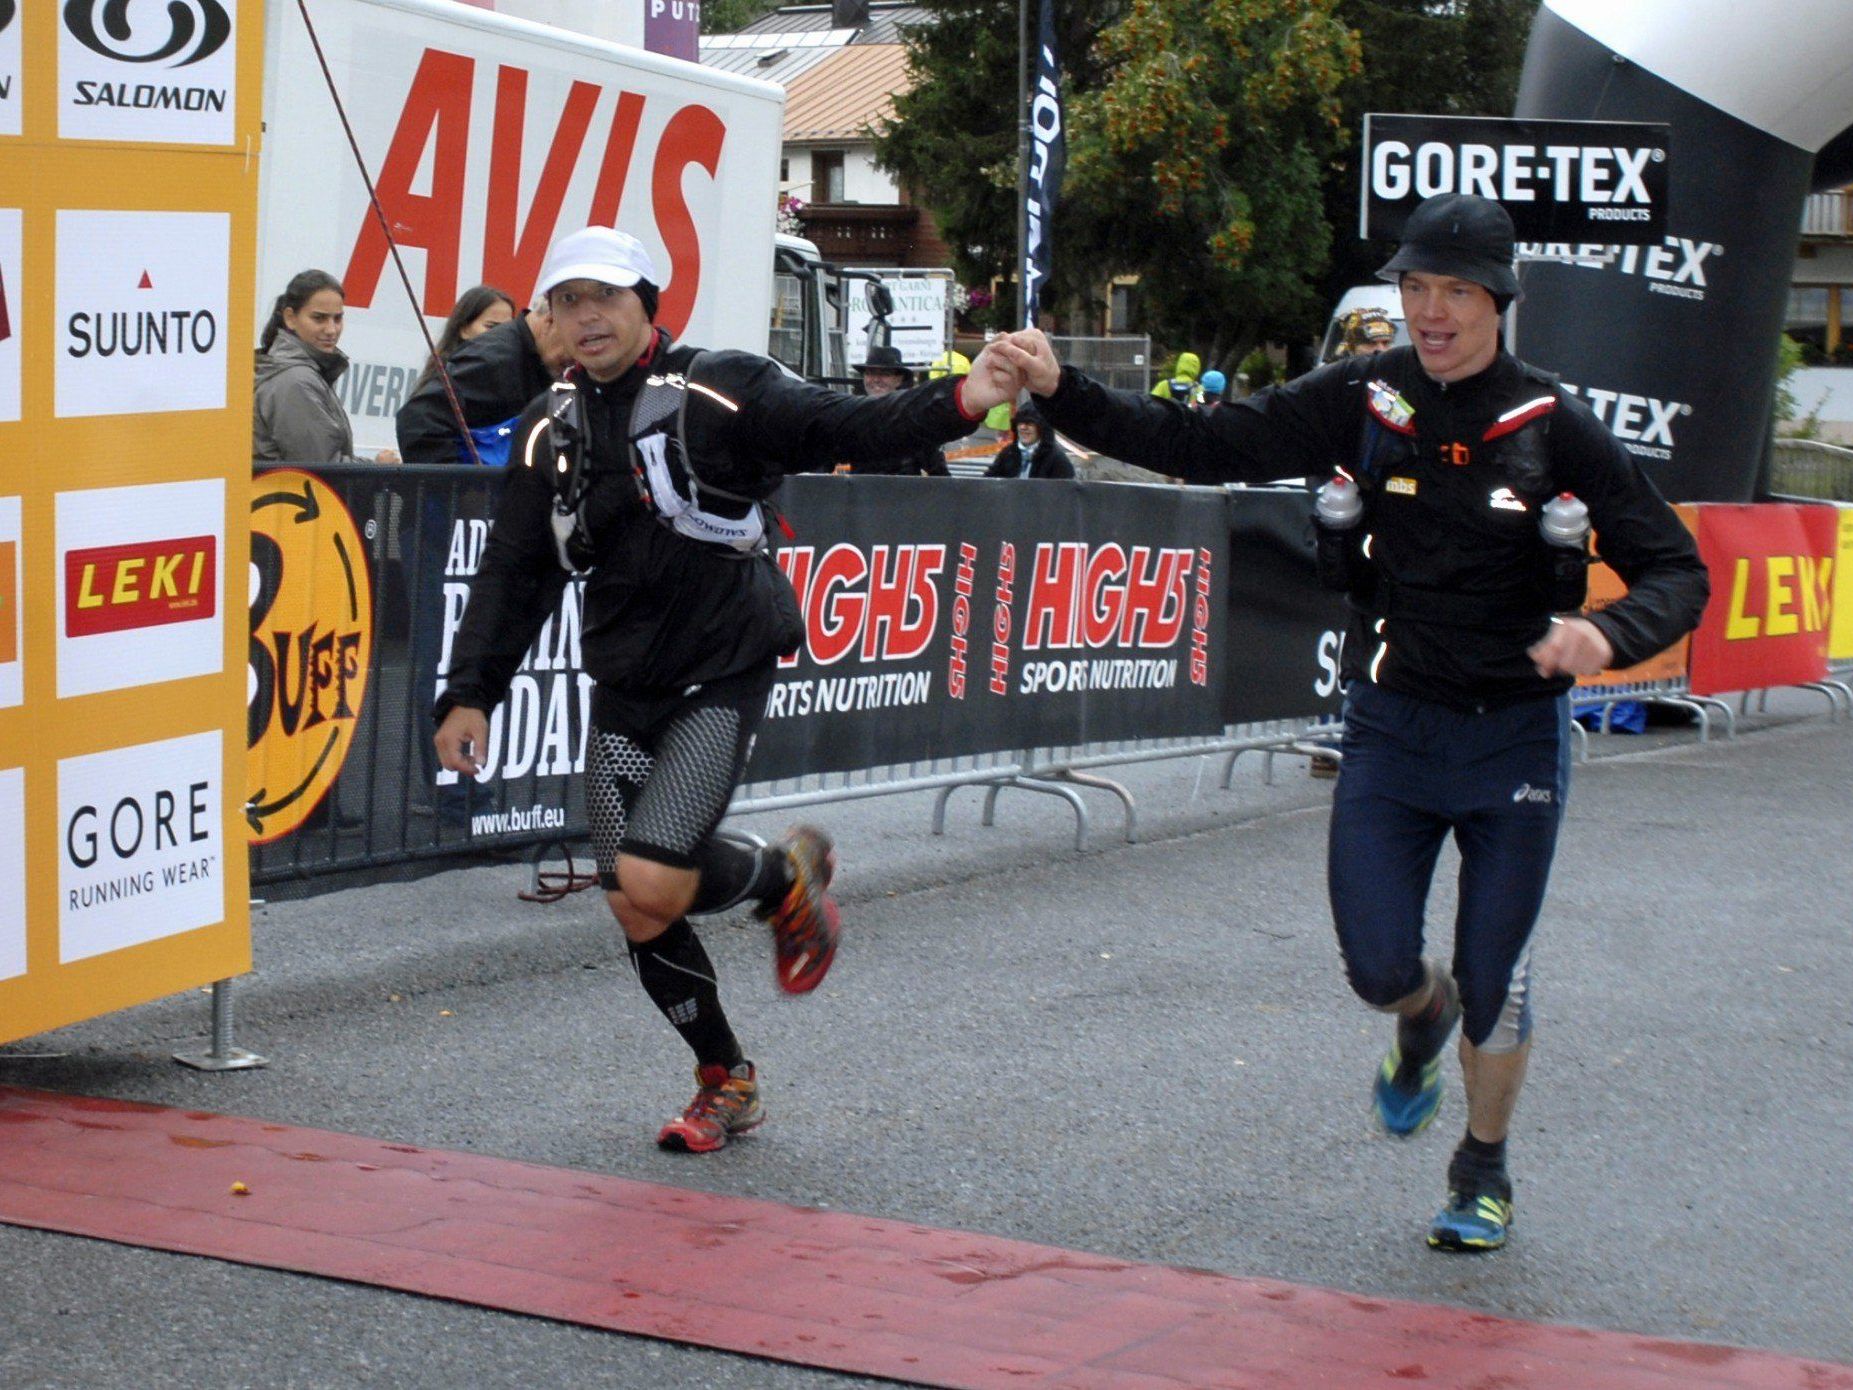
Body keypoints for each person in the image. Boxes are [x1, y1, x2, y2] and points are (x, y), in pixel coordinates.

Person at [996, 193, 1709, 1253]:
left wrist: (1606, 634)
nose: (1429, 311)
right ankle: (1412, 1020)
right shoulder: (1364, 397)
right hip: (1391, 727)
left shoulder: (1552, 426)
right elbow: (1197, 442)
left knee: (1493, 978)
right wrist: (1068, 393)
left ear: (1497, 301)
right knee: (1379, 966)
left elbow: (1675, 568)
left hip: (1513, 736)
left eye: (1452, 292)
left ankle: (1480, 1165)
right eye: (1414, 288)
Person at [434, 226, 1019, 1152]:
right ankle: (726, 1077)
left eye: (607, 298)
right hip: (626, 679)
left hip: (722, 666)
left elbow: (843, 425)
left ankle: (780, 875)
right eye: (568, 301)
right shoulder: (550, 427)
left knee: (651, 874)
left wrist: (963, 399)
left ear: (647, 305)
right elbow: (515, 566)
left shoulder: (721, 386)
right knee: (635, 901)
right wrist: (469, 692)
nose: (588, 317)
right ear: (545, 317)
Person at [396, 295, 570, 465]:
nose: (576, 359)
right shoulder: (496, 359)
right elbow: (418, 419)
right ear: (550, 320)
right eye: (572, 343)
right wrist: (462, 485)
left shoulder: (536, 359)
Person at [253, 269, 400, 463]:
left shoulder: (295, 373)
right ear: (290, 318)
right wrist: (377, 467)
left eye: (337, 318)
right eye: (319, 318)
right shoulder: (295, 381)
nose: (331, 329)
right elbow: (322, 469)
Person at [833, 345, 950, 476]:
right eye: (870, 373)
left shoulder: (915, 420)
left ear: (899, 379)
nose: (876, 379)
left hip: (901, 493)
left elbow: (939, 474)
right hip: (859, 493)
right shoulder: (852, 416)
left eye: (884, 374)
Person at [409, 284, 518, 399]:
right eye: (490, 326)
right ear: (464, 329)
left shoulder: (517, 378)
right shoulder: (447, 379)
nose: (501, 334)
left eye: (507, 328)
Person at [982, 401, 1076, 480]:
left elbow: (1065, 496)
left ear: (1042, 428)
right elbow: (987, 483)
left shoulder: (1057, 460)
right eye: (1020, 423)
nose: (1023, 427)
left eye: (1029, 423)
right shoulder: (1007, 454)